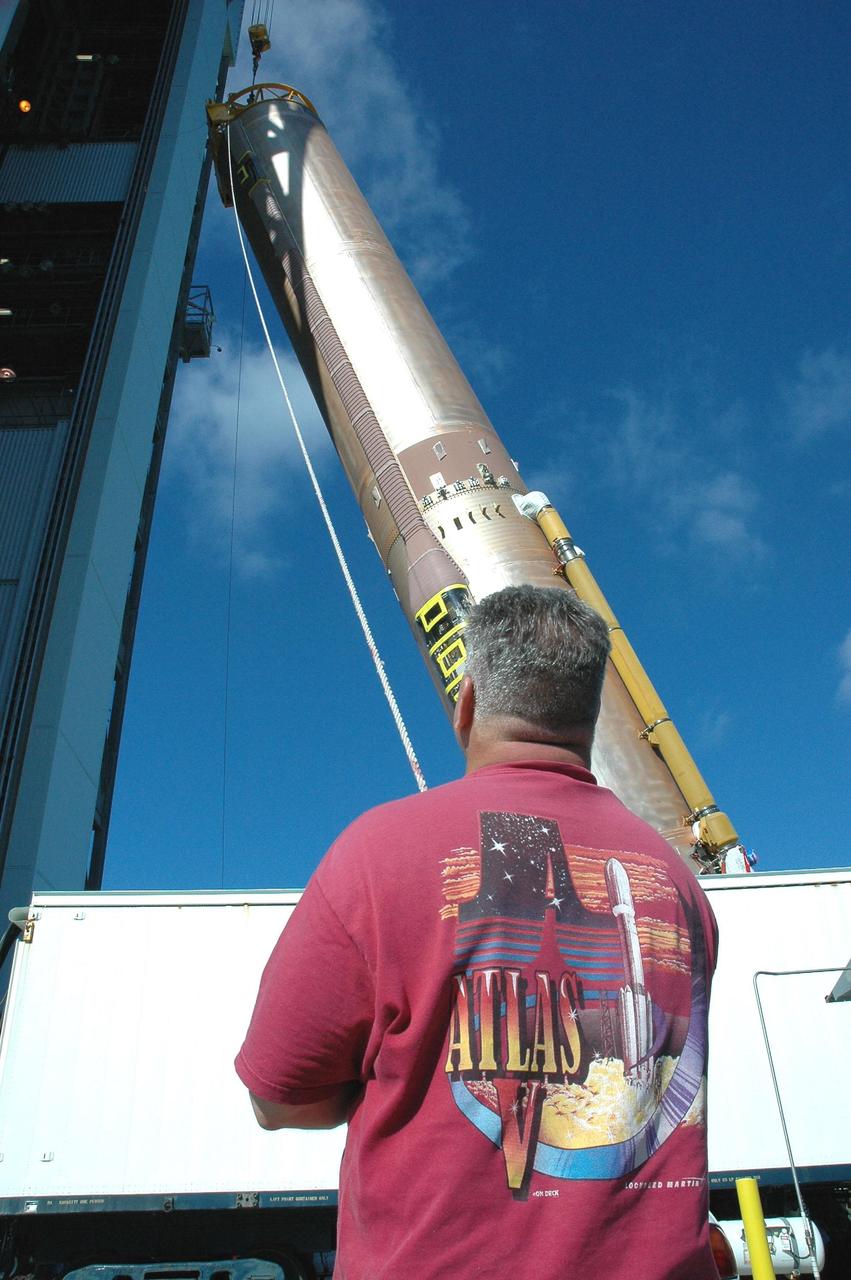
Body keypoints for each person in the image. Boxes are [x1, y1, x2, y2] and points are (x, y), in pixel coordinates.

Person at [235, 584, 720, 1280]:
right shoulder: (676, 881)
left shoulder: (380, 852)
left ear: (466, 702)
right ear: (587, 717)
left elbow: (278, 1096)